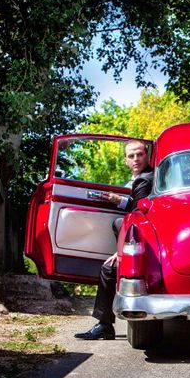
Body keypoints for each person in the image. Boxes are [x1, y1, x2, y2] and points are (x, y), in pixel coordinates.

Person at [75, 140, 154, 340]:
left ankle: (104, 325)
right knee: (117, 224)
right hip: (141, 241)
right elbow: (135, 206)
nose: (136, 159)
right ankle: (105, 324)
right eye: (131, 156)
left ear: (147, 156)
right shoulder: (143, 178)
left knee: (108, 269)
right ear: (126, 160)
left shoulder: (145, 180)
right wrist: (118, 200)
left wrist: (121, 252)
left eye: (140, 154)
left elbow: (138, 217)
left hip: (146, 245)